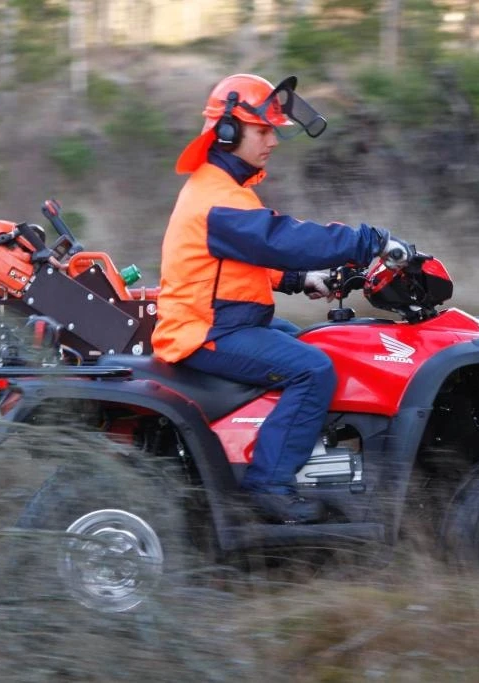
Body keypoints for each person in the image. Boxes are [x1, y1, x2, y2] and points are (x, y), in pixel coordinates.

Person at [151, 73, 411, 524]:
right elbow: (279, 238)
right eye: (263, 130)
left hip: (226, 319)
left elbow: (241, 262)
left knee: (315, 344)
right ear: (227, 130)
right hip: (205, 330)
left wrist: (300, 280)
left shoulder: (226, 191)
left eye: (274, 130)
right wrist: (366, 242)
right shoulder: (218, 199)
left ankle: (305, 456)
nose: (272, 140)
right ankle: (269, 484)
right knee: (312, 370)